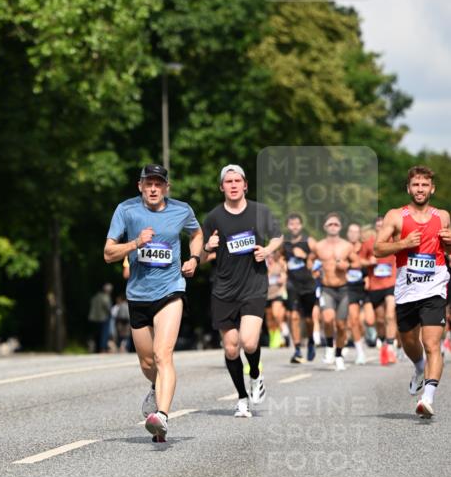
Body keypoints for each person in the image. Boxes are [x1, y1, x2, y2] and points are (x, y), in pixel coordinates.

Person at [104, 164, 203, 441]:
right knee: (148, 363)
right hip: (138, 295)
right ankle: (155, 387)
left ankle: (162, 416)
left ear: (166, 188)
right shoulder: (126, 210)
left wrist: (194, 259)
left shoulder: (182, 210)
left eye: (159, 184)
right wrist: (135, 242)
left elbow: (197, 234)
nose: (153, 188)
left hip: (171, 290)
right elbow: (108, 253)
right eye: (148, 183)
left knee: (163, 354)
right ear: (140, 186)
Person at [201, 163, 283, 418]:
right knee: (231, 348)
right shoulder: (213, 217)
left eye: (238, 181)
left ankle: (256, 375)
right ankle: (242, 398)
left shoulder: (261, 211)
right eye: (229, 181)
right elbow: (201, 257)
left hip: (254, 285)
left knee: (248, 341)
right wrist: (208, 246)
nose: (234, 185)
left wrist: (268, 250)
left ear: (245, 185)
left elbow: (278, 237)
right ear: (221, 187)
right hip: (224, 289)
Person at [374, 165, 451, 418]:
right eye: (416, 185)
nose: (420, 189)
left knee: (432, 344)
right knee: (409, 341)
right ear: (408, 188)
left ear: (432, 188)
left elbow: (447, 252)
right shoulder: (396, 216)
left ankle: (427, 398)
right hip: (407, 290)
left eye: (424, 185)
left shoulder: (442, 216)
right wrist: (403, 243)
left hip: (435, 288)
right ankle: (418, 368)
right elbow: (378, 248)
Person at [310, 213, 353, 371]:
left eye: (336, 224)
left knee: (341, 325)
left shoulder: (347, 246)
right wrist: (313, 270)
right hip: (327, 288)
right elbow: (310, 259)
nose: (333, 227)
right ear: (325, 227)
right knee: (327, 319)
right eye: (330, 224)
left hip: (344, 288)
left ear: (340, 227)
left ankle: (339, 355)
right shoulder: (319, 246)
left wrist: (347, 265)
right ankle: (329, 346)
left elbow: (357, 262)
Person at [360, 215, 398, 366]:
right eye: (378, 225)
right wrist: (369, 262)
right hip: (375, 286)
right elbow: (359, 260)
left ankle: (390, 346)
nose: (381, 227)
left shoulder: (393, 242)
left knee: (390, 314)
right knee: (380, 319)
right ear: (375, 227)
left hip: (391, 283)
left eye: (383, 224)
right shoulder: (369, 243)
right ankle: (383, 341)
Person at [283, 213, 318, 364]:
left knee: (309, 319)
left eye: (297, 223)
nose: (294, 226)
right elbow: (281, 259)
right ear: (288, 226)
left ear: (301, 225)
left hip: (308, 284)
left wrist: (305, 256)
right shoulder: (285, 243)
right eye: (291, 224)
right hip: (292, 284)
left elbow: (319, 256)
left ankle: (310, 341)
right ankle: (297, 349)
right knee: (294, 316)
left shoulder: (309, 241)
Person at [346, 221, 368, 365]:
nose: (353, 234)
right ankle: (360, 351)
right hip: (350, 287)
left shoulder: (366, 247)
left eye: (356, 232)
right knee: (353, 320)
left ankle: (366, 336)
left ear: (360, 234)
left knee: (369, 320)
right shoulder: (343, 248)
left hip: (366, 286)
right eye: (351, 232)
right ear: (347, 234)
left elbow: (374, 261)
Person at [88, 283, 113, 353]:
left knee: (96, 334)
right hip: (103, 318)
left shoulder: (95, 297)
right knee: (104, 334)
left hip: (93, 318)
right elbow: (108, 307)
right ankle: (103, 348)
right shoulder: (105, 297)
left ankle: (96, 348)